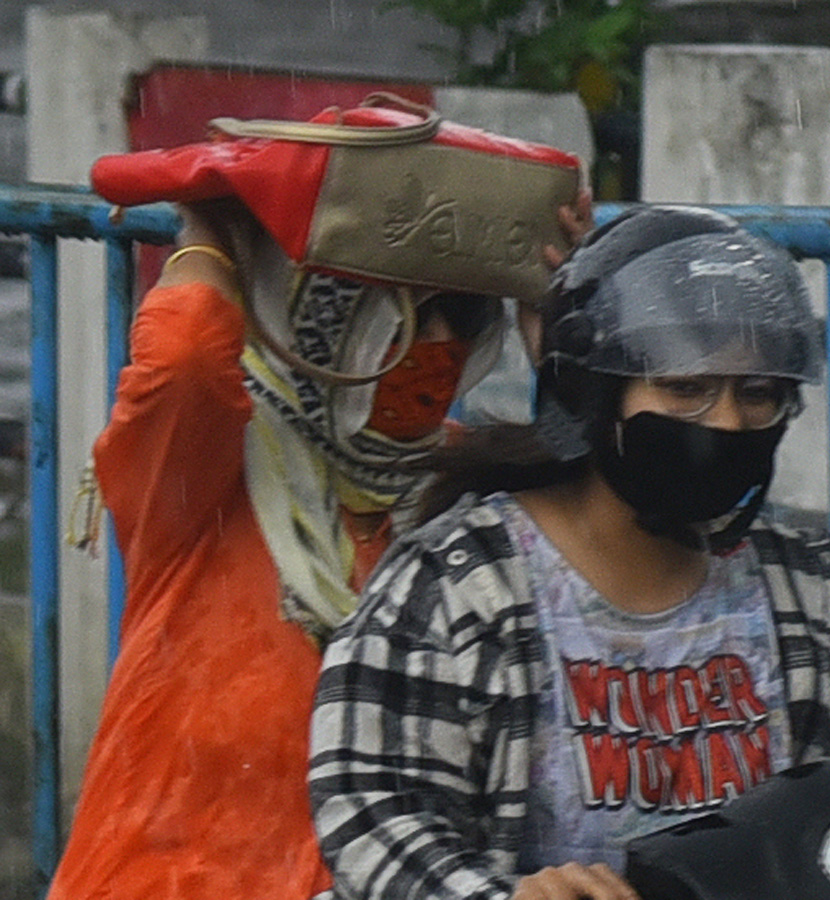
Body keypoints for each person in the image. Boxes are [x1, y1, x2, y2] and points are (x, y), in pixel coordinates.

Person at [47, 100, 587, 900]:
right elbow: (187, 356)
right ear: (310, 310)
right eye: (396, 313)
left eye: (461, 316)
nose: (435, 346)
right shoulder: (206, 474)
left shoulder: (465, 496)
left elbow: (604, 484)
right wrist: (215, 225)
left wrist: (568, 328)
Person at [308, 205, 830, 900]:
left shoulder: (793, 582)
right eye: (685, 388)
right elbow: (372, 811)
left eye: (757, 394)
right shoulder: (462, 582)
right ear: (596, 396)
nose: (727, 422)